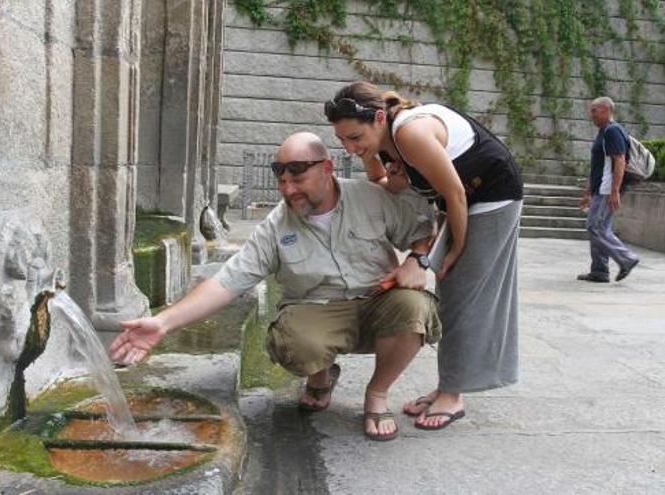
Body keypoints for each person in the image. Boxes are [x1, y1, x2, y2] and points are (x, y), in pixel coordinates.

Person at [109, 132, 441, 441]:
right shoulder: (276, 226)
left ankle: (377, 393)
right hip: (316, 311)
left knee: (416, 306)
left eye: (298, 179)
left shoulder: (371, 198)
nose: (288, 189)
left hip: (375, 303)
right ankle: (320, 376)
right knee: (294, 343)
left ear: (327, 169)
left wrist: (418, 259)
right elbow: (228, 281)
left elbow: (421, 229)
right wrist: (163, 322)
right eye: (282, 180)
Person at [325, 81, 523, 430]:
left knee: (465, 293)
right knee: (451, 296)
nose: (350, 147)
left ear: (380, 118)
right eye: (342, 140)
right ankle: (447, 385)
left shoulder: (411, 132)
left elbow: (456, 194)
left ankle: (454, 395)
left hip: (491, 196)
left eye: (355, 137)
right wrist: (376, 160)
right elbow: (383, 187)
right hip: (460, 202)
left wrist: (454, 250)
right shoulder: (382, 139)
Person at [577, 97, 640, 283]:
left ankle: (627, 259)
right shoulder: (603, 132)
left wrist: (615, 192)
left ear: (606, 110)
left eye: (594, 110)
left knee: (595, 226)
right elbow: (597, 166)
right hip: (600, 189)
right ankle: (600, 271)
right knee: (600, 228)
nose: (591, 114)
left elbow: (620, 161)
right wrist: (588, 192)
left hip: (607, 189)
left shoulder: (613, 131)